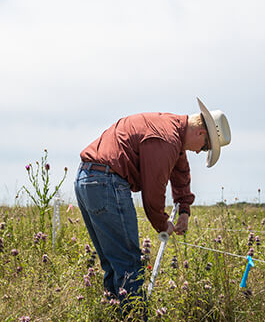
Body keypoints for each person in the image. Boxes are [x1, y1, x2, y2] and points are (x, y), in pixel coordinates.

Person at [75, 98, 231, 305]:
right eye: (204, 148)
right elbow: (153, 190)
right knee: (129, 263)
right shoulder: (167, 139)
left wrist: (184, 209)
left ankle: (115, 320)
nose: (197, 152)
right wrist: (162, 223)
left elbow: (180, 171)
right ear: (201, 133)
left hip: (87, 179)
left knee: (113, 262)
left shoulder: (170, 129)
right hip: (107, 183)